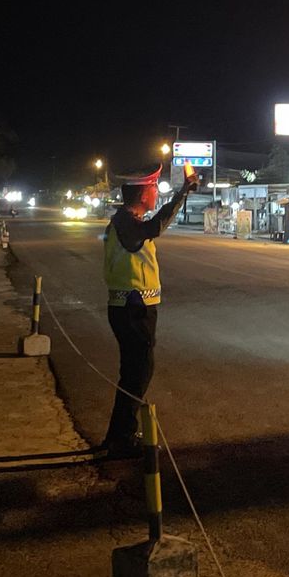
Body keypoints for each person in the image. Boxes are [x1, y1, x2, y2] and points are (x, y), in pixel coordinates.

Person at [98, 164, 197, 456]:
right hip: (133, 309)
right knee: (137, 374)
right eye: (153, 189)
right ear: (143, 194)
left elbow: (150, 229)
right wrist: (182, 192)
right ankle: (121, 439)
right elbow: (154, 228)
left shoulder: (127, 222)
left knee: (135, 373)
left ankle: (119, 436)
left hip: (134, 308)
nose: (156, 194)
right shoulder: (126, 224)